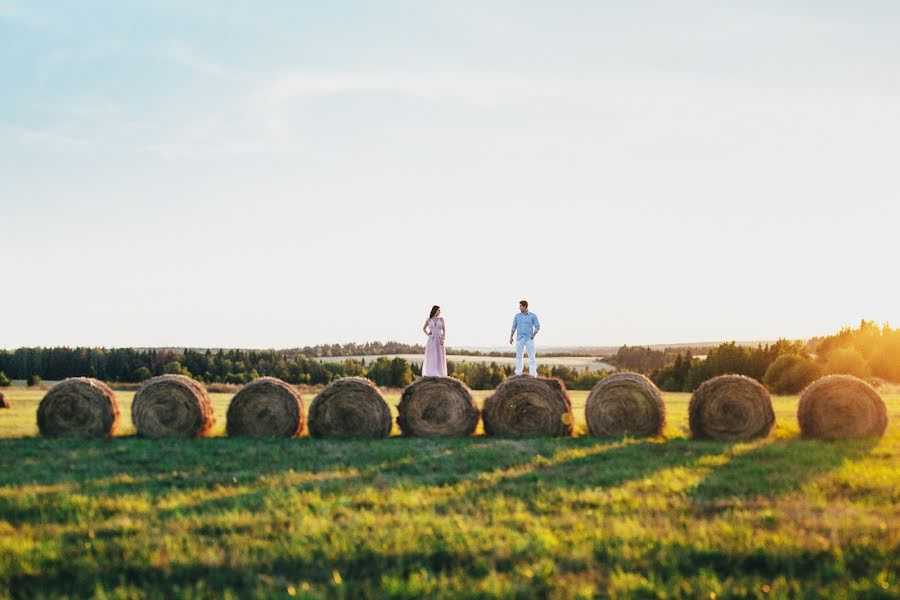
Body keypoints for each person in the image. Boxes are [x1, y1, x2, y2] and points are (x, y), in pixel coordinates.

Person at [509, 299, 540, 376]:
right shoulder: (517, 316)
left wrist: (533, 336)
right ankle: (518, 373)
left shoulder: (533, 316)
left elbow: (537, 326)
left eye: (520, 306)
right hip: (519, 338)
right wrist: (511, 336)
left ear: (525, 306)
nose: (519, 308)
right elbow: (514, 326)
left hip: (529, 339)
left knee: (531, 357)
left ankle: (533, 374)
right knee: (519, 356)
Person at [422, 305, 447, 377]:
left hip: (439, 339)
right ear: (435, 310)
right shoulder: (429, 320)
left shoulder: (441, 319)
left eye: (440, 311)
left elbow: (444, 330)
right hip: (431, 339)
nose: (439, 312)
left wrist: (443, 338)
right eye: (438, 310)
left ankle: (440, 372)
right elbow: (424, 328)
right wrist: (428, 334)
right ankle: (431, 372)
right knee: (431, 355)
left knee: (439, 355)